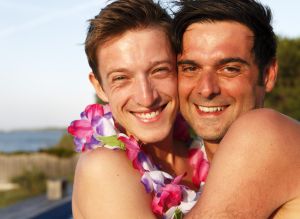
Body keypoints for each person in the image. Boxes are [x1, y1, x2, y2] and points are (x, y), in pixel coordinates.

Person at [68, 0, 209, 218]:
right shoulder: (103, 166)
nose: (146, 97)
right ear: (99, 87)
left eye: (159, 70)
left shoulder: (205, 151)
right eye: (121, 78)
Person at [173, 0, 300, 218]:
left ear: (268, 74)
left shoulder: (263, 131)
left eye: (229, 69)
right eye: (190, 68)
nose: (206, 89)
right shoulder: (189, 173)